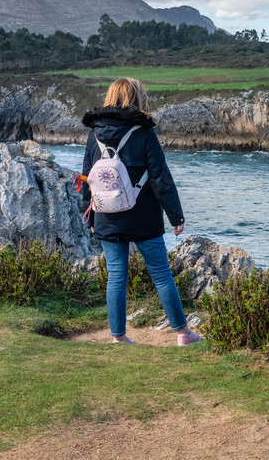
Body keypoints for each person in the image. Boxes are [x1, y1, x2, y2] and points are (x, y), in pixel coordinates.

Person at [81, 77, 201, 346]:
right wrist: (176, 216)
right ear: (136, 98)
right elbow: (160, 178)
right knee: (160, 274)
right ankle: (183, 333)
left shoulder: (94, 134)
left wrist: (90, 215)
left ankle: (118, 336)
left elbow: (87, 178)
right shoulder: (145, 133)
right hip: (143, 214)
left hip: (106, 215)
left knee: (116, 275)